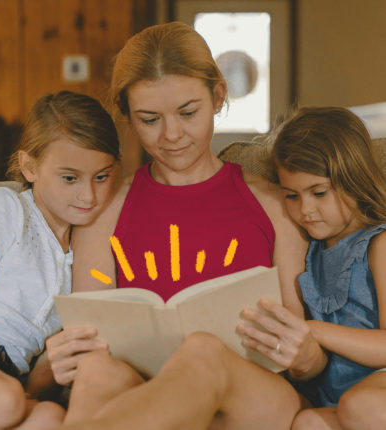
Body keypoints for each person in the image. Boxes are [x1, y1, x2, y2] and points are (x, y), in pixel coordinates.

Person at [47, 22, 316, 429]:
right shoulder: (105, 210)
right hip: (141, 392)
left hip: (254, 397)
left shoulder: (274, 202)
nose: (172, 135)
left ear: (218, 95)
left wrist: (306, 355)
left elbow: (306, 356)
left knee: (203, 350)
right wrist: (69, 356)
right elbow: (92, 341)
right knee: (98, 372)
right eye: (149, 119)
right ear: (127, 115)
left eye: (188, 112)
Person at [0, 90, 120, 429]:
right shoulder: (6, 208)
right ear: (30, 166)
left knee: (51, 418)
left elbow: (33, 365)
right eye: (70, 178)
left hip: (7, 376)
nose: (88, 195)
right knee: (2, 400)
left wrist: (36, 379)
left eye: (101, 176)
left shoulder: (83, 258)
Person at [263, 106, 386, 429]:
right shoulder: (309, 253)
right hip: (338, 401)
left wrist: (313, 331)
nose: (306, 210)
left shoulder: (379, 245)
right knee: (306, 423)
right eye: (291, 196)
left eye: (319, 193)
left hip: (377, 389)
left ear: (353, 179)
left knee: (361, 406)